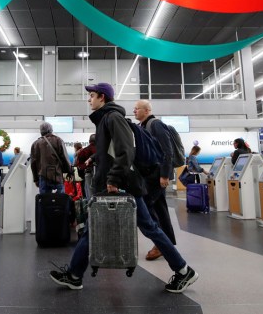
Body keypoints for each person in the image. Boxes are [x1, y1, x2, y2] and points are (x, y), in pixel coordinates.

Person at [50, 82, 198, 293]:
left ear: (102, 97)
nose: (88, 99)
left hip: (122, 185)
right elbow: (111, 153)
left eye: (91, 95)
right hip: (118, 184)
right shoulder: (105, 119)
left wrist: (113, 179)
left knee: (148, 227)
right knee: (94, 228)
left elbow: (125, 150)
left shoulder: (113, 118)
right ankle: (74, 274)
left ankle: (184, 271)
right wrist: (97, 161)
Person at [133, 99, 178, 261]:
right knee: (160, 208)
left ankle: (160, 243)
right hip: (148, 175)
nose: (134, 111)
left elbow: (167, 151)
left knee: (145, 206)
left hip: (156, 175)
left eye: (137, 109)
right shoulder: (142, 127)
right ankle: (166, 243)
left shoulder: (156, 125)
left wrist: (165, 174)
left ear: (146, 110)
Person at [30, 122, 71, 194]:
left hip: (43, 176)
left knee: (44, 202)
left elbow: (33, 163)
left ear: (41, 131)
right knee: (60, 201)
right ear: (51, 130)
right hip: (57, 175)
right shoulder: (58, 140)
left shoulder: (35, 144)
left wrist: (36, 179)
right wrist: (69, 172)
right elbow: (64, 158)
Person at [78, 134, 96, 198]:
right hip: (102, 175)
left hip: (89, 174)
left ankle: (91, 207)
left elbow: (80, 166)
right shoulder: (102, 150)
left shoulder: (84, 151)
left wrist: (82, 176)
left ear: (89, 141)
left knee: (90, 196)